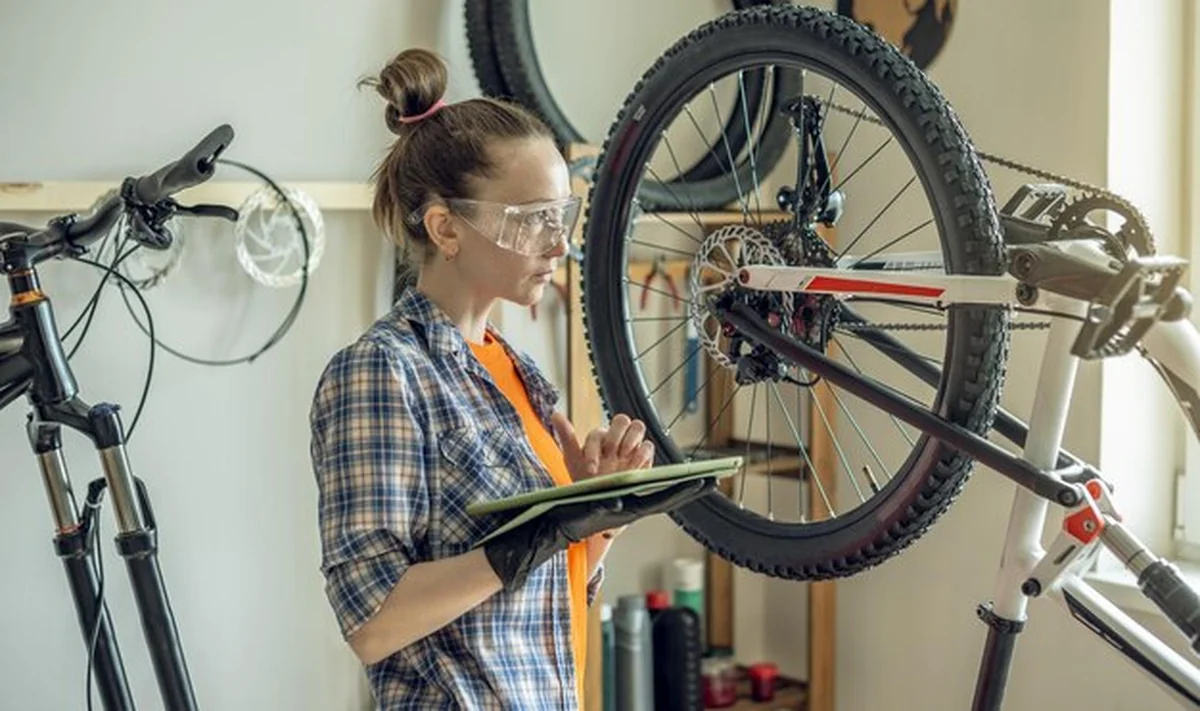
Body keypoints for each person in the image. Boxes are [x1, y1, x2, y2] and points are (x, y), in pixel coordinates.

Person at [308, 48, 712, 710]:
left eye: (563, 217)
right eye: (532, 220)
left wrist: (595, 517)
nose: (559, 244)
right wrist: (544, 531)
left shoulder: (516, 372)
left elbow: (531, 610)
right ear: (445, 227)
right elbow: (373, 621)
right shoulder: (382, 372)